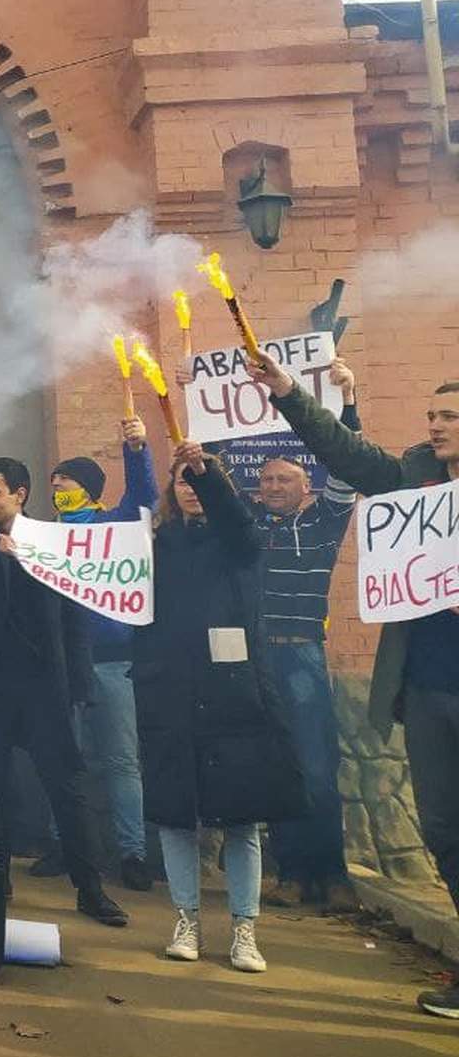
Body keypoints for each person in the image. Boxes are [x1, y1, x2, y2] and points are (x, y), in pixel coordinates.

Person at [243, 354, 459, 1019]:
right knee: (444, 828)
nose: (434, 425)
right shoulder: (412, 477)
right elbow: (345, 454)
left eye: (449, 416)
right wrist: (287, 393)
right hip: (426, 685)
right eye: (432, 414)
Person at [0, 435, 129, 926]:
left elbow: (73, 620)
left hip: (43, 691)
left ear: (20, 494)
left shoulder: (52, 543)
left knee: (67, 790)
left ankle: (90, 889)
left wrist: (80, 685)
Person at [139, 440, 302, 973]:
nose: (190, 488)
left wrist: (205, 471)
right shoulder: (154, 543)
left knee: (242, 817)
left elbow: (237, 525)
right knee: (175, 816)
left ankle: (244, 928)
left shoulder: (239, 537)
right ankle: (186, 918)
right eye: (182, 479)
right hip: (171, 693)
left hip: (235, 695)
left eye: (200, 479)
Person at [247, 358, 362, 912]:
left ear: (306, 487)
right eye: (266, 480)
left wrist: (349, 401)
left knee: (318, 769)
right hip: (259, 661)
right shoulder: (247, 529)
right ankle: (291, 873)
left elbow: (349, 465)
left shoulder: (323, 522)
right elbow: (203, 481)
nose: (273, 486)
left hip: (304, 659)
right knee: (277, 768)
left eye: (284, 479)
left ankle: (332, 874)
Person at [35, 418, 158, 893]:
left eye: (63, 482)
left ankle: (132, 853)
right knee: (64, 759)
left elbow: (144, 496)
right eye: (53, 485)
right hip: (64, 664)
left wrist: (136, 450)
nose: (56, 490)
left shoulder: (115, 524)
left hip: (112, 660)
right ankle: (63, 845)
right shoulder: (47, 534)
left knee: (122, 760)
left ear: (86, 488)